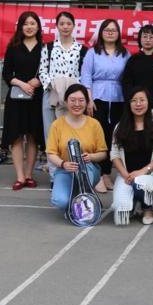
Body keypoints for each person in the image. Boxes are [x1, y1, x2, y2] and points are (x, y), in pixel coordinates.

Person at [80, 18, 130, 194]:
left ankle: (107, 173)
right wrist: (89, 99)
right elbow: (86, 75)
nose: (110, 33)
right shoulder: (93, 52)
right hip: (97, 97)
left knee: (113, 136)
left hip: (118, 98)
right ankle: (98, 175)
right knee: (98, 136)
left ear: (118, 34)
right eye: (107, 30)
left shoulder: (124, 53)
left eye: (113, 30)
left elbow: (128, 76)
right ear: (101, 32)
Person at [45, 84, 108, 212]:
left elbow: (103, 153)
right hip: (65, 170)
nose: (77, 104)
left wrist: (91, 157)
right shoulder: (57, 125)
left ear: (87, 102)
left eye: (81, 100)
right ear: (66, 101)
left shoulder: (94, 124)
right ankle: (82, 201)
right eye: (73, 100)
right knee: (60, 201)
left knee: (85, 176)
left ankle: (85, 198)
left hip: (89, 169)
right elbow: (51, 153)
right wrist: (63, 164)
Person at [2, 11, 45, 191]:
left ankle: (29, 175)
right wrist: (21, 84)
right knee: (17, 136)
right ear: (20, 27)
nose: (29, 27)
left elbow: (49, 71)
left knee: (33, 136)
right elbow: (6, 73)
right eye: (25, 24)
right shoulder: (13, 47)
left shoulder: (45, 48)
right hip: (16, 98)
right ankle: (19, 177)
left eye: (32, 23)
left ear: (38, 27)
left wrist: (39, 81)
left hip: (36, 97)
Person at [110, 88, 153, 226]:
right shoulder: (120, 127)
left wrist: (142, 172)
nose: (138, 104)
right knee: (121, 216)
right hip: (126, 176)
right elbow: (114, 155)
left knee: (142, 184)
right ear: (128, 104)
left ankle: (147, 207)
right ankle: (132, 202)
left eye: (142, 100)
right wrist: (125, 174)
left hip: (150, 176)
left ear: (148, 102)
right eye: (134, 100)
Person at [38, 11, 88, 161]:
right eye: (62, 24)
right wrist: (53, 86)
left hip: (74, 96)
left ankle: (73, 167)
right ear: (57, 26)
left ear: (74, 26)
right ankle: (54, 170)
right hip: (51, 94)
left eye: (68, 24)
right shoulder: (49, 47)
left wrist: (71, 89)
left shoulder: (81, 49)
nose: (65, 27)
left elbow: (84, 73)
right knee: (50, 133)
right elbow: (42, 71)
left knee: (72, 132)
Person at [121, 24, 153, 122]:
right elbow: (127, 83)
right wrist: (132, 102)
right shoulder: (133, 60)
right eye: (144, 37)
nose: (148, 40)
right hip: (137, 107)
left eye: (151, 37)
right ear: (140, 39)